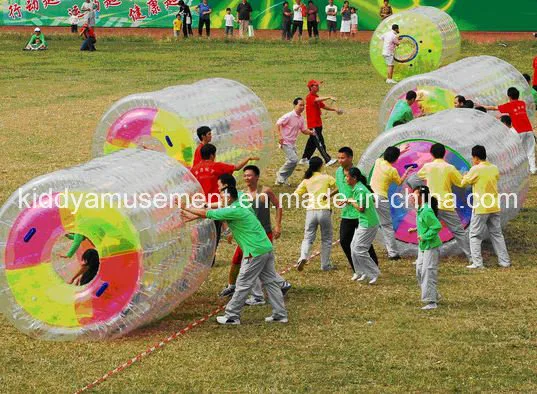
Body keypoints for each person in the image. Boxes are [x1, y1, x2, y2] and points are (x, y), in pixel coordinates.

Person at [179, 184, 288, 325]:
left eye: (223, 196)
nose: (220, 199)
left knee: (243, 283)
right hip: (265, 247)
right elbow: (215, 207)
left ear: (229, 197)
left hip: (254, 251)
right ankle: (280, 314)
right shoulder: (241, 200)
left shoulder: (233, 210)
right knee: (270, 282)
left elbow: (208, 214)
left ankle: (232, 316)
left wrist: (186, 207)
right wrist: (192, 215)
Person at [219, 167, 292, 304]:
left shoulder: (265, 191)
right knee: (240, 260)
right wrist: (229, 230)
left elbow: (278, 206)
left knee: (255, 263)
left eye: (250, 176)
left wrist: (278, 225)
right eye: (245, 176)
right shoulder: (242, 195)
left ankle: (258, 295)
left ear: (257, 177)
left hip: (264, 233)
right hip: (249, 235)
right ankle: (280, 284)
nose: (247, 178)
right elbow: (230, 211)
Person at [190, 143, 259, 264]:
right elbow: (236, 167)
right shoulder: (217, 166)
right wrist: (247, 159)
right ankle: (209, 260)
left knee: (201, 233)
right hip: (216, 205)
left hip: (199, 205)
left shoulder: (194, 170)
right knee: (213, 234)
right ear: (212, 155)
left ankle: (199, 259)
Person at [417, 143, 472, 261]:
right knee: (458, 231)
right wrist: (466, 176)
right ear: (444, 154)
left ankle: (422, 257)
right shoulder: (449, 168)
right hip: (446, 204)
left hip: (431, 205)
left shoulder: (428, 167)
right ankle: (471, 257)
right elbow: (461, 183)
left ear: (431, 154)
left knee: (426, 230)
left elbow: (419, 175)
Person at [462, 145, 511, 269]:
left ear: (476, 158)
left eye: (473, 158)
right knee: (497, 234)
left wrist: (465, 175)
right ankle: (504, 261)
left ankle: (478, 263)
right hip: (494, 206)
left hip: (481, 207)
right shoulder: (494, 168)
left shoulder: (475, 169)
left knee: (474, 235)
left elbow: (463, 183)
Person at [336, 147, 379, 279]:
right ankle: (357, 268)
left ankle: (373, 267)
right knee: (345, 241)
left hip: (359, 215)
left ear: (350, 158)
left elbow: (367, 191)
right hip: (347, 214)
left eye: (342, 158)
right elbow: (340, 186)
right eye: (338, 158)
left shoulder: (357, 174)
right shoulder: (338, 172)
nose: (339, 160)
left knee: (364, 243)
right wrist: (331, 195)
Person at [370, 146, 413, 260]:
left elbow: (383, 156)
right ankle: (393, 253)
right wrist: (407, 171)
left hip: (369, 196)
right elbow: (399, 182)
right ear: (396, 159)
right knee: (387, 226)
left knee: (368, 223)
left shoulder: (378, 162)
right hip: (381, 198)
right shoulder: (392, 170)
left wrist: (399, 151)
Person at [295, 157, 337, 272]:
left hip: (311, 210)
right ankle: (325, 264)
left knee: (308, 237)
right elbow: (339, 186)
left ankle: (303, 256)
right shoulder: (326, 177)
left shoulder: (306, 180)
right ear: (321, 166)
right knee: (326, 239)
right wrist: (329, 195)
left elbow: (297, 193)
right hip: (324, 210)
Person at [482, 87, 536, 174]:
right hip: (529, 130)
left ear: (509, 96)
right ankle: (533, 169)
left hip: (519, 131)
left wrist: (483, 107)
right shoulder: (522, 103)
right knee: (530, 150)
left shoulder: (508, 105)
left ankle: (520, 170)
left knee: (518, 151)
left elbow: (494, 108)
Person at [408, 185, 442, 310]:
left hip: (431, 246)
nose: (412, 197)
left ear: (421, 197)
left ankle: (431, 302)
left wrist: (425, 236)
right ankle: (434, 294)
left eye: (414, 194)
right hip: (423, 246)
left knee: (428, 272)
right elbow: (426, 224)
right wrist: (416, 229)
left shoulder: (427, 210)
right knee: (419, 271)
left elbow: (437, 226)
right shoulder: (421, 209)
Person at [346, 167, 380, 284]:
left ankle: (373, 273)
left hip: (368, 223)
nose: (346, 179)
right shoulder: (358, 188)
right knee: (353, 247)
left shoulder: (360, 190)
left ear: (354, 178)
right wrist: (349, 200)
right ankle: (362, 272)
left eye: (347, 177)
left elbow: (361, 208)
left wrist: (350, 201)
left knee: (360, 249)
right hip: (364, 221)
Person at [275, 97, 316, 186]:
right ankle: (280, 175)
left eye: (303, 105)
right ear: (295, 105)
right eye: (300, 105)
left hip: (292, 143)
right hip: (285, 142)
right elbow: (278, 123)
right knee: (293, 160)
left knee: (293, 162)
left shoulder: (300, 118)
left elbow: (304, 130)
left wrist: (311, 132)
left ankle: (283, 179)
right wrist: (279, 136)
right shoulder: (289, 116)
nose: (302, 107)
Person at [299, 80, 341, 167]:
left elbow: (323, 106)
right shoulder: (309, 97)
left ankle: (304, 159)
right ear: (311, 87)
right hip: (313, 125)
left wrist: (334, 109)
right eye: (316, 85)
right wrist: (329, 97)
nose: (318, 87)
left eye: (318, 85)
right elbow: (317, 100)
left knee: (312, 143)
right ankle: (327, 159)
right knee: (320, 142)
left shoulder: (316, 96)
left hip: (318, 124)